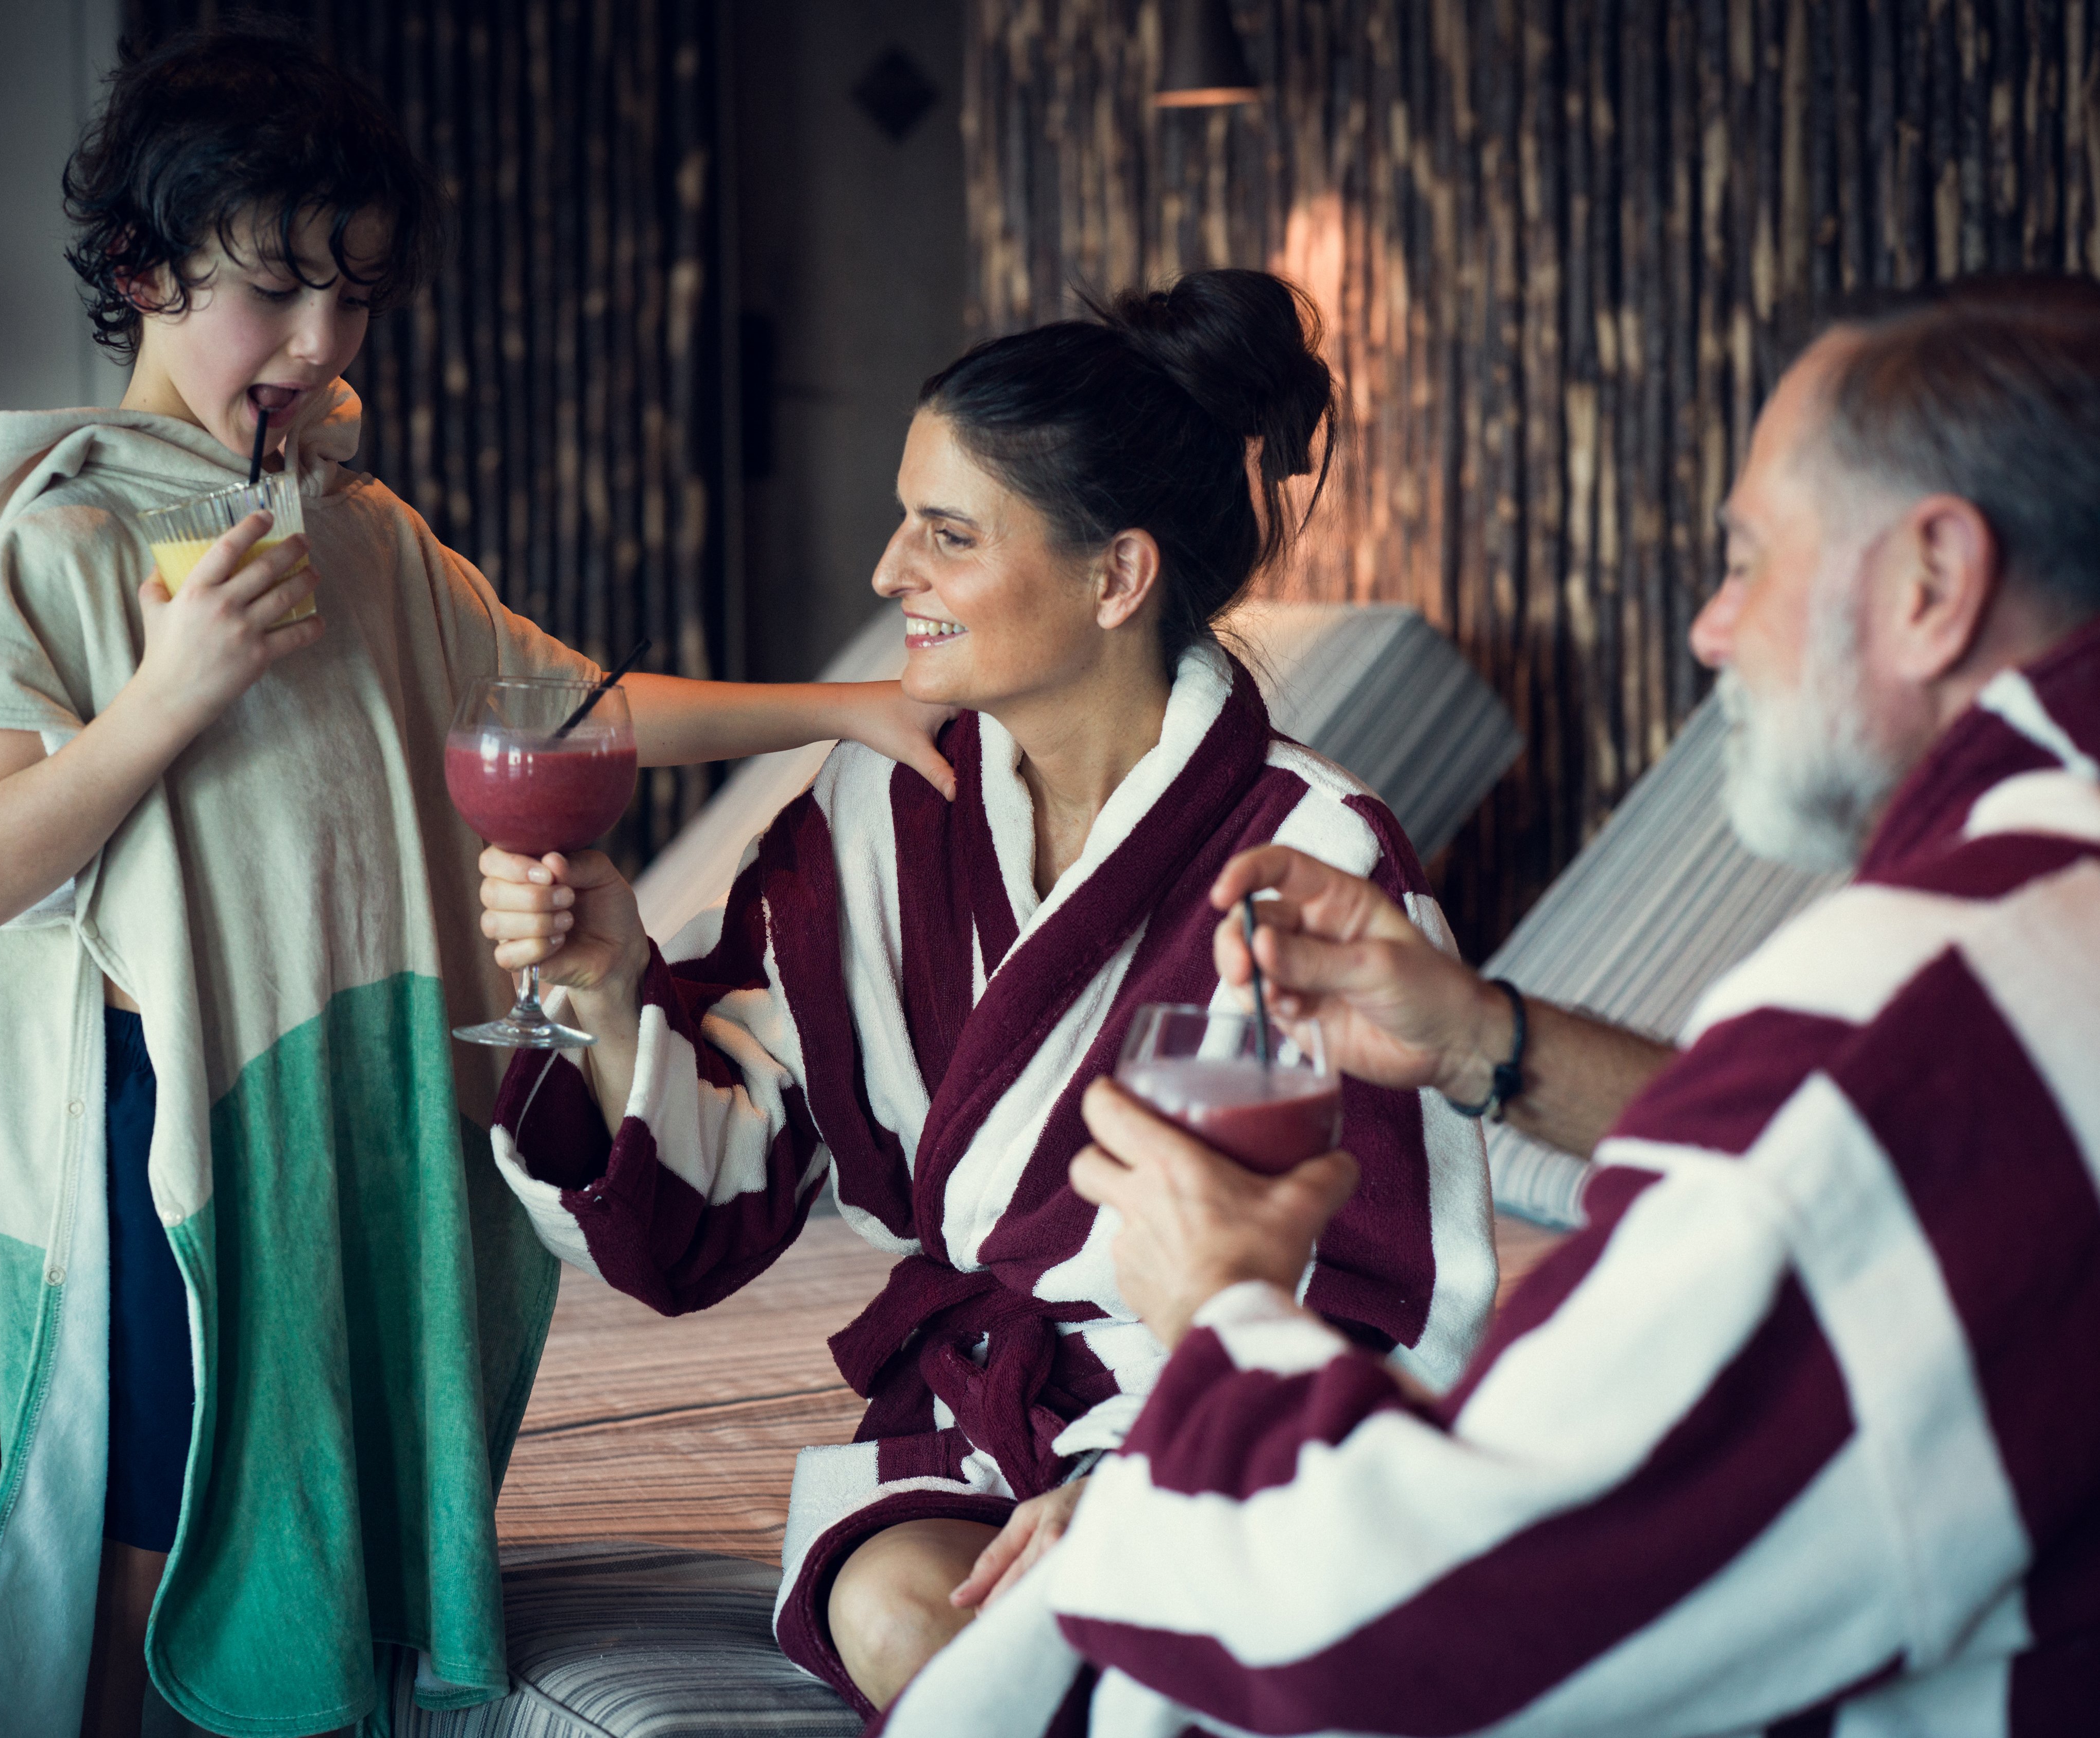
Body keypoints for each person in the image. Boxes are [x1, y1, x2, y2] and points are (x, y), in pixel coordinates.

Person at [0, 29, 952, 1738]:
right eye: (277, 293)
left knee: (347, 1497)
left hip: (373, 1092)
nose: (318, 347)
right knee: (161, 1519)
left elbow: (570, 703)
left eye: (356, 303)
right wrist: (171, 691)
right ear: (145, 273)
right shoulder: (70, 541)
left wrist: (849, 706)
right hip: (184, 1123)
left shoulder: (364, 532)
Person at [874, 275, 2100, 1735]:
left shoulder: (1905, 1001)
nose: (1710, 634)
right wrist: (1487, 1040)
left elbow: (1400, 1627)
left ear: (1930, 583)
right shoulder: (2023, 958)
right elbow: (1893, 1162)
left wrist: (1221, 1318)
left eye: (1749, 559)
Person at [476, 268, 1500, 1717]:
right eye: (906, 521)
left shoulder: (1318, 862)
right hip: (977, 1427)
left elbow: (1398, 1302)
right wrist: (598, 986)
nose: (890, 572)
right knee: (910, 1606)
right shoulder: (879, 811)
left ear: (1115, 576)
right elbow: (722, 1193)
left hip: (1226, 1432)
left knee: (1097, 1645)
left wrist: (1150, 1484)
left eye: (946, 536)